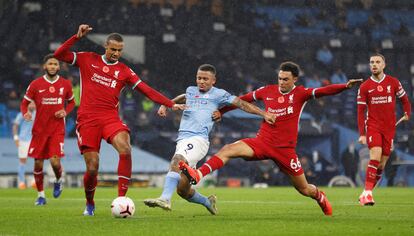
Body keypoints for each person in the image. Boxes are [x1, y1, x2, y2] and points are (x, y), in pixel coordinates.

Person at [179, 61, 363, 216]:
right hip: (262, 142)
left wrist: (344, 86)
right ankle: (198, 174)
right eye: (280, 78)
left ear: (294, 80)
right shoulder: (267, 91)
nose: (281, 82)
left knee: (304, 189)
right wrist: (221, 110)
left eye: (285, 79)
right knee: (228, 149)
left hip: (285, 150)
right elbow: (241, 100)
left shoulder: (300, 94)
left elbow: (323, 91)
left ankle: (319, 196)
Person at [54, 24, 185, 216]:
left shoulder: (125, 71)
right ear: (106, 47)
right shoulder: (87, 59)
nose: (116, 53)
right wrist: (76, 37)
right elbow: (59, 54)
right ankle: (90, 203)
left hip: (110, 118)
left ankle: (122, 198)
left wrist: (170, 104)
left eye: (119, 50)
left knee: (125, 148)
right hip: (87, 119)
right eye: (113, 49)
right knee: (92, 167)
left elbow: (146, 90)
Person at [143, 64, 275, 214]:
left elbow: (241, 104)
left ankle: (165, 198)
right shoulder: (191, 90)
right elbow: (184, 96)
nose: (201, 81)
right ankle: (208, 201)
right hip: (183, 140)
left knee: (177, 161)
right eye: (199, 78)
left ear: (213, 80)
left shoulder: (219, 94)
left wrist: (264, 114)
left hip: (198, 140)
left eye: (205, 79)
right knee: (183, 190)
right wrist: (167, 104)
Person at [20, 54, 76, 205]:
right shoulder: (35, 84)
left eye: (55, 64)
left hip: (57, 129)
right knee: (38, 163)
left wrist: (65, 111)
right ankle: (41, 196)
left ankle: (58, 180)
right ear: (44, 66)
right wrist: (25, 112)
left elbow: (71, 103)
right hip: (39, 130)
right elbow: (24, 103)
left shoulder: (65, 84)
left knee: (55, 162)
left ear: (59, 67)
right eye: (50, 64)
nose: (52, 66)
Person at [357, 53, 411, 206]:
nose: (374, 64)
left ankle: (366, 193)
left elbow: (405, 100)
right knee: (375, 156)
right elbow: (360, 112)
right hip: (373, 126)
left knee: (381, 165)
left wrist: (407, 113)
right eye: (372, 62)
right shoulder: (365, 87)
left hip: (389, 128)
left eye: (377, 62)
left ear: (384, 65)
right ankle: (368, 194)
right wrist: (362, 133)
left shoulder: (393, 82)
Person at [12, 102, 36, 189]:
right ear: (27, 105)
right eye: (31, 104)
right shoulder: (22, 114)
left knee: (36, 160)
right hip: (23, 140)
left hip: (34, 140)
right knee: (23, 161)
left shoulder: (37, 114)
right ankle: (21, 183)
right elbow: (15, 126)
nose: (33, 106)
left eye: (34, 104)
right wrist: (16, 138)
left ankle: (34, 182)